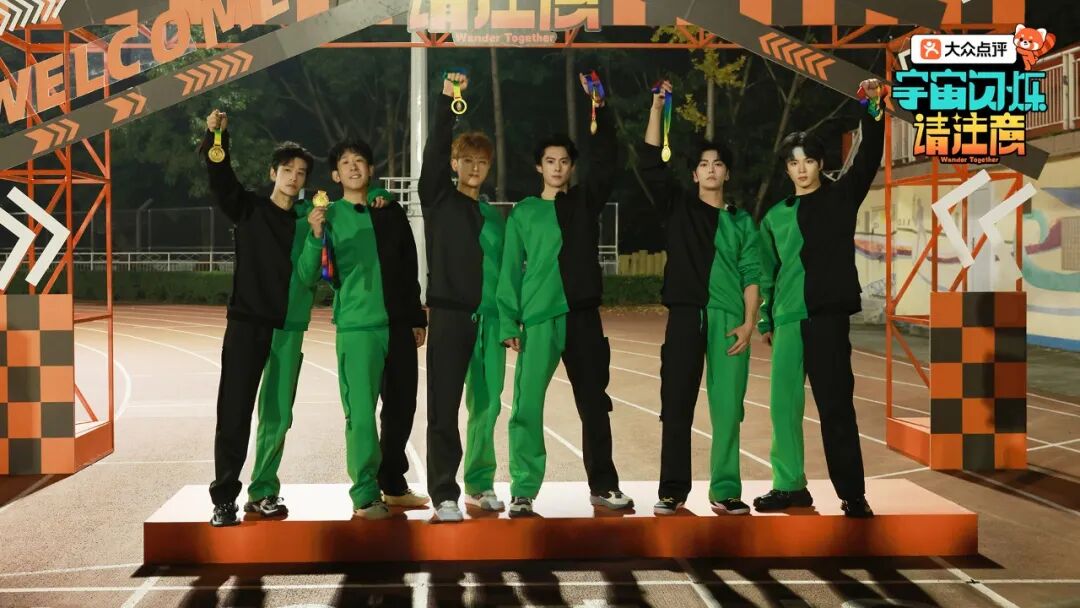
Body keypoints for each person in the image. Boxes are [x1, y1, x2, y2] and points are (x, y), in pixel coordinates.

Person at [497, 72, 633, 517]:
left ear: (572, 167)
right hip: (538, 319)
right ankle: (523, 490)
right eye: (550, 161)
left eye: (564, 161)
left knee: (594, 405)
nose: (557, 167)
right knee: (526, 406)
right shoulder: (523, 213)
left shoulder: (584, 203)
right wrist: (508, 320)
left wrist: (601, 108)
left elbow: (608, 160)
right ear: (539, 166)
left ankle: (604, 486)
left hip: (582, 316)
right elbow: (508, 272)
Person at [755, 79, 886, 518]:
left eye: (809, 161)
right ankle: (789, 486)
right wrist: (766, 320)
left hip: (828, 318)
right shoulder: (776, 217)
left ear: (820, 163)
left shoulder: (841, 197)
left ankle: (852, 494)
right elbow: (767, 273)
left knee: (835, 408)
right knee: (783, 407)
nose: (802, 169)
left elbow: (867, 158)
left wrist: (871, 109)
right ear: (787, 169)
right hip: (788, 320)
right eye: (794, 163)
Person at [637, 81, 761, 517]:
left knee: (728, 409)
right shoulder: (679, 207)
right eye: (703, 165)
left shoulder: (741, 222)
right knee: (676, 406)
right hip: (686, 317)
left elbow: (752, 274)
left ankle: (725, 490)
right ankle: (672, 490)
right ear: (694, 175)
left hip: (729, 321)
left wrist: (749, 322)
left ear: (726, 174)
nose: (710, 170)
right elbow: (650, 163)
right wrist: (657, 108)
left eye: (718, 164)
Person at [299, 137, 426, 519]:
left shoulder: (389, 210)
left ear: (370, 170)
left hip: (398, 325)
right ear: (336, 175)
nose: (354, 167)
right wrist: (314, 236)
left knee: (402, 408)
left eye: (360, 161)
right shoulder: (326, 216)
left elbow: (408, 263)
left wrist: (416, 317)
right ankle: (365, 493)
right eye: (346, 163)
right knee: (361, 414)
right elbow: (310, 274)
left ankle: (393, 484)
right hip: (357, 327)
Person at [200, 109, 314, 527]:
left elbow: (353, 203)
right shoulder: (248, 209)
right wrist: (217, 138)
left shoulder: (309, 218)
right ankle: (224, 498)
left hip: (287, 327)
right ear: (273, 173)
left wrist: (378, 197)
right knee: (234, 411)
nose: (294, 178)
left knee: (277, 416)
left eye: (301, 173)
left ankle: (263, 491)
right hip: (247, 323)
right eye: (287, 170)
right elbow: (220, 179)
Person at [419, 72, 508, 523]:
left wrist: (509, 319)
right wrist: (445, 103)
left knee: (487, 406)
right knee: (444, 407)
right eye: (467, 160)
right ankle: (443, 492)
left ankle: (479, 482)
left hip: (490, 321)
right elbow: (434, 153)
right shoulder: (438, 200)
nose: (475, 168)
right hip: (450, 318)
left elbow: (507, 274)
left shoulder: (494, 217)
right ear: (455, 164)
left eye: (482, 162)